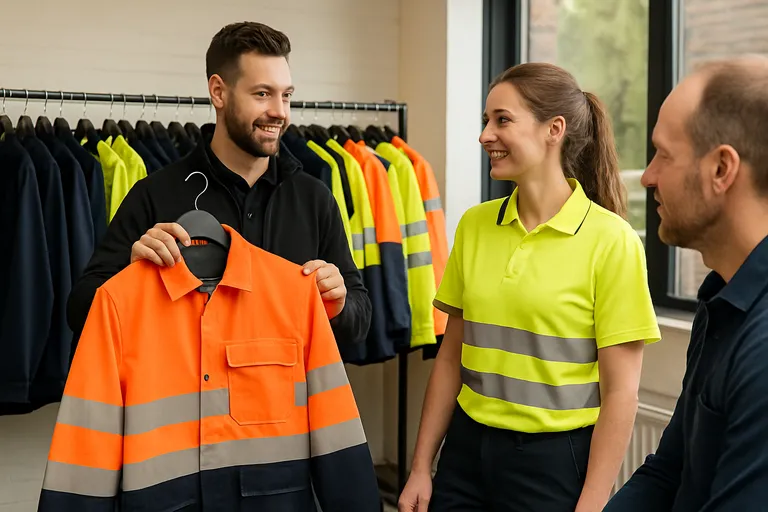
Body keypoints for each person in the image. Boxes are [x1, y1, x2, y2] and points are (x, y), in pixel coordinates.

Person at [398, 62, 661, 512]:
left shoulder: (611, 241)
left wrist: (593, 502)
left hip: (554, 462)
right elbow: (450, 357)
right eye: (485, 120)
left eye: (502, 119)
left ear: (553, 129)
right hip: (466, 450)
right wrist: (421, 466)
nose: (485, 135)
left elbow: (621, 393)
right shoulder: (476, 225)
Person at [66, 21, 371, 350]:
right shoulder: (156, 194)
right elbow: (79, 312)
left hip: (284, 401)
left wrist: (339, 304)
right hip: (186, 400)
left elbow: (360, 321)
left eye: (287, 96)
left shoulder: (314, 198)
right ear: (218, 92)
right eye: (262, 94)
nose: (279, 112)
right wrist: (131, 275)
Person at [605, 55, 768, 511]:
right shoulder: (722, 299)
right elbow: (669, 470)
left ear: (721, 170)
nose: (649, 177)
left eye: (663, 154)